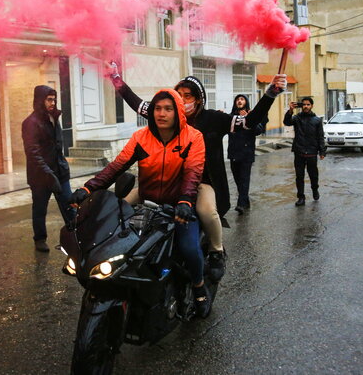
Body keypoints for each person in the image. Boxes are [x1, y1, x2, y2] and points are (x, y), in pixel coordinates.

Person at [106, 63, 286, 282]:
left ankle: (216, 251)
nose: (181, 100)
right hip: (165, 181)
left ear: (199, 99)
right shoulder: (167, 114)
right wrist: (115, 76)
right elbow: (135, 102)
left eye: (187, 96)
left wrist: (270, 94)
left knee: (208, 211)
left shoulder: (214, 119)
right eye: (178, 95)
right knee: (123, 205)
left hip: (202, 183)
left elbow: (249, 121)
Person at [69, 89, 211, 316]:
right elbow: (116, 167)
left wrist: (185, 201)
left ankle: (198, 287)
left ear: (178, 112)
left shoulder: (193, 137)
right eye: (157, 108)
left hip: (179, 207)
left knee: (189, 248)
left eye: (168, 109)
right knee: (119, 239)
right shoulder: (141, 137)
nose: (161, 114)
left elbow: (193, 173)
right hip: (147, 202)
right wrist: (88, 188)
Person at [22, 85, 75, 252]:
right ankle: (40, 239)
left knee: (69, 205)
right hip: (40, 176)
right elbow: (33, 153)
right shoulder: (30, 123)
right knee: (39, 209)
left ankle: (75, 237)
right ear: (40, 100)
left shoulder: (54, 118)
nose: (53, 103)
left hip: (60, 172)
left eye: (54, 99)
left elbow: (58, 146)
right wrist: (48, 174)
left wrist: (62, 167)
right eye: (49, 99)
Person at [228, 94, 267, 214]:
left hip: (246, 153)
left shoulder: (251, 116)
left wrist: (250, 119)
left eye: (242, 99)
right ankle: (245, 200)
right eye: (237, 99)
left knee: (244, 179)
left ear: (246, 102)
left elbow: (259, 131)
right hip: (234, 152)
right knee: (238, 180)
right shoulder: (230, 117)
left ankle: (240, 204)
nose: (239, 101)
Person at [283, 97, 326, 206]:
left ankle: (315, 190)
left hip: (312, 152)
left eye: (308, 104)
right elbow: (287, 122)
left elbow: (320, 137)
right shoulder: (297, 118)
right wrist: (290, 111)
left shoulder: (317, 120)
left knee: (313, 175)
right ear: (301, 106)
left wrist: (322, 151)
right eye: (304, 105)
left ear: (311, 106)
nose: (306, 106)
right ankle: (301, 197)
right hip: (299, 151)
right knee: (299, 176)